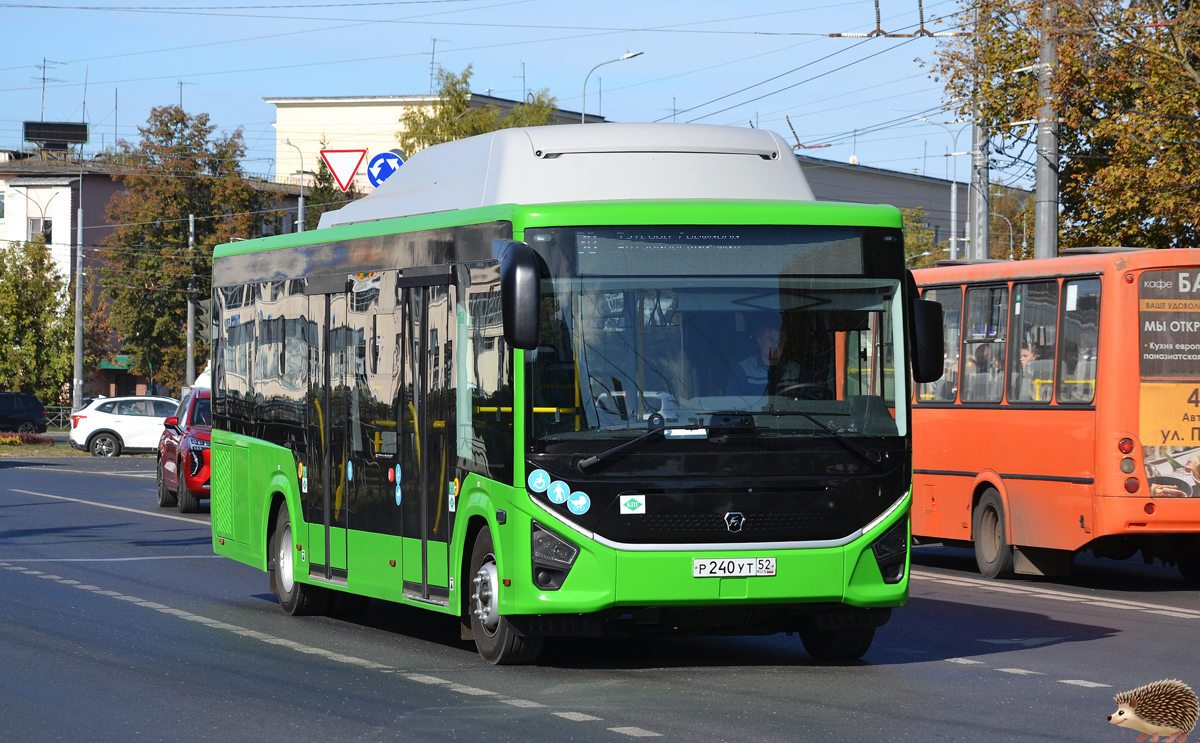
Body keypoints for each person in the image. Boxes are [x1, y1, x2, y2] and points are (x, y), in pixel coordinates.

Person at [725, 318, 781, 396]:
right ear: (759, 341)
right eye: (770, 339)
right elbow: (733, 404)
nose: (776, 345)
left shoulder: (795, 370)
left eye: (780, 340)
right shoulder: (743, 370)